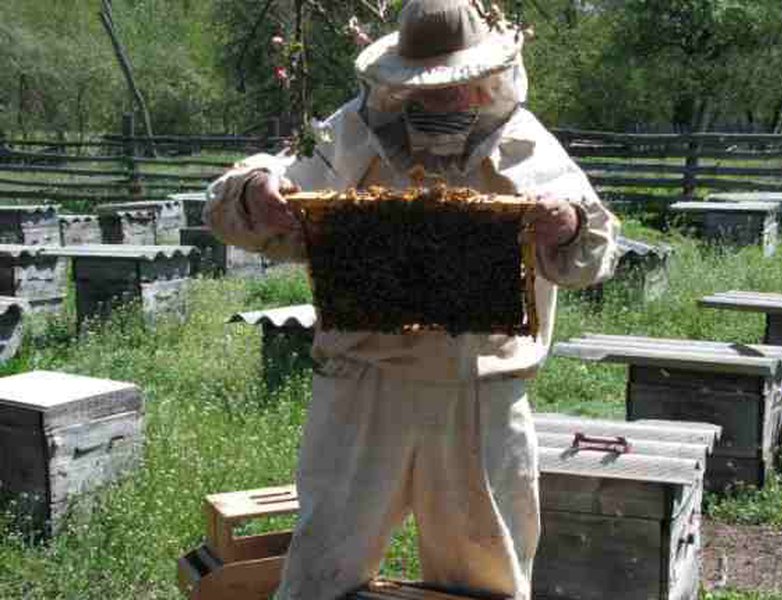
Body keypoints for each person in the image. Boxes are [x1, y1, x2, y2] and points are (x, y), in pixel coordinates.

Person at [204, 1, 620, 598]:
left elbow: (595, 250)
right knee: (324, 569)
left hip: (480, 395)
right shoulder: (353, 131)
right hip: (363, 384)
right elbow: (260, 193)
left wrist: (570, 226)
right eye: (424, 90)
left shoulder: (527, 145)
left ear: (484, 81)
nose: (437, 103)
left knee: (486, 577)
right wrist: (255, 191)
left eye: (453, 89)